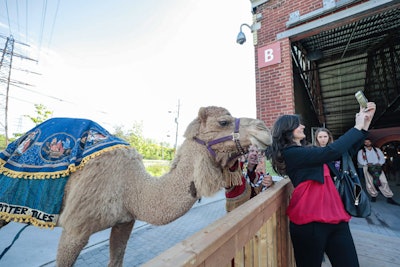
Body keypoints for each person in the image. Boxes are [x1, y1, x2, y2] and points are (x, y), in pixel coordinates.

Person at [268, 102, 376, 267]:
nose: (303, 126)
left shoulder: (310, 151)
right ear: (287, 130)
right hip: (309, 222)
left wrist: (365, 123)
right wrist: (357, 125)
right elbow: (330, 152)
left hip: (336, 218)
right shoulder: (292, 154)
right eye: (298, 124)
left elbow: (343, 153)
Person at [225, 144, 274, 212]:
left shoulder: (259, 176)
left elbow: (268, 188)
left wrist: (270, 182)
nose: (255, 154)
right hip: (236, 219)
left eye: (257, 152)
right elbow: (230, 162)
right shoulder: (235, 172)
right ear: (244, 155)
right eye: (251, 151)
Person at [357, 138, 399, 205]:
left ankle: (389, 197)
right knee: (370, 183)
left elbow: (382, 158)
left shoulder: (377, 150)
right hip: (367, 167)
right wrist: (366, 163)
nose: (367, 143)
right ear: (364, 143)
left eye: (368, 142)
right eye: (366, 142)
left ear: (371, 142)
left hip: (378, 167)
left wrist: (380, 163)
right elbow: (360, 160)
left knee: (383, 181)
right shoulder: (361, 151)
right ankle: (373, 195)